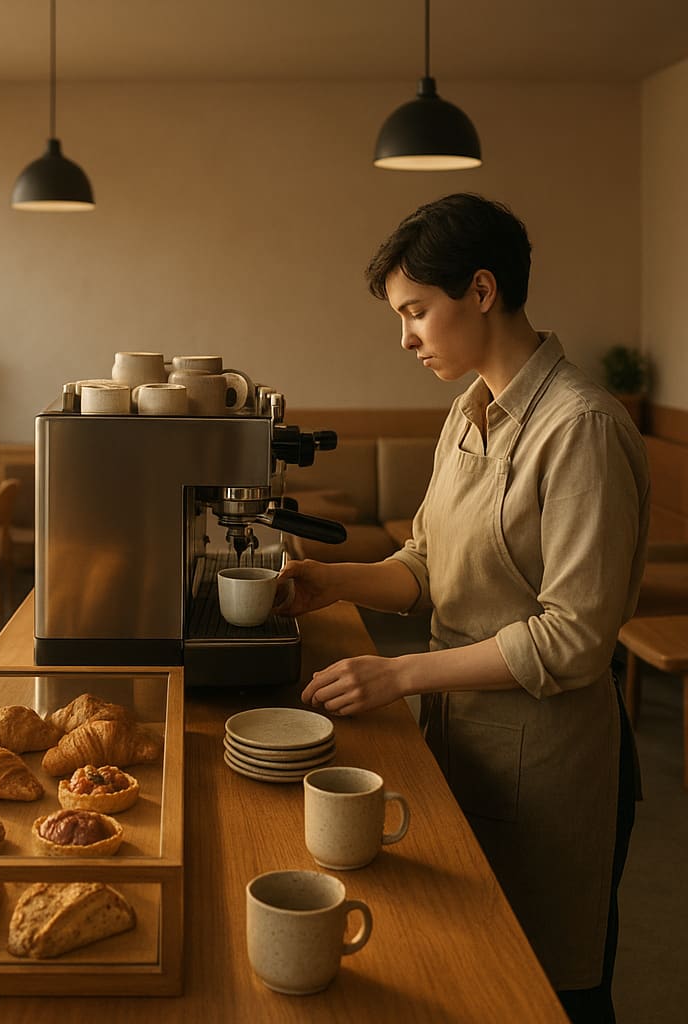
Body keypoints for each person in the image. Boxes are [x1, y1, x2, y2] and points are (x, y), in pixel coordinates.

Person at [275, 193, 649, 1023]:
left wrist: (400, 673)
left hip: (548, 766)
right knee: (475, 979)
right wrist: (335, 580)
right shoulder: (468, 412)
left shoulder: (578, 427)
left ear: (481, 291)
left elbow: (576, 639)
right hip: (464, 740)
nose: (405, 337)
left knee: (551, 993)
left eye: (416, 312)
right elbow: (428, 562)